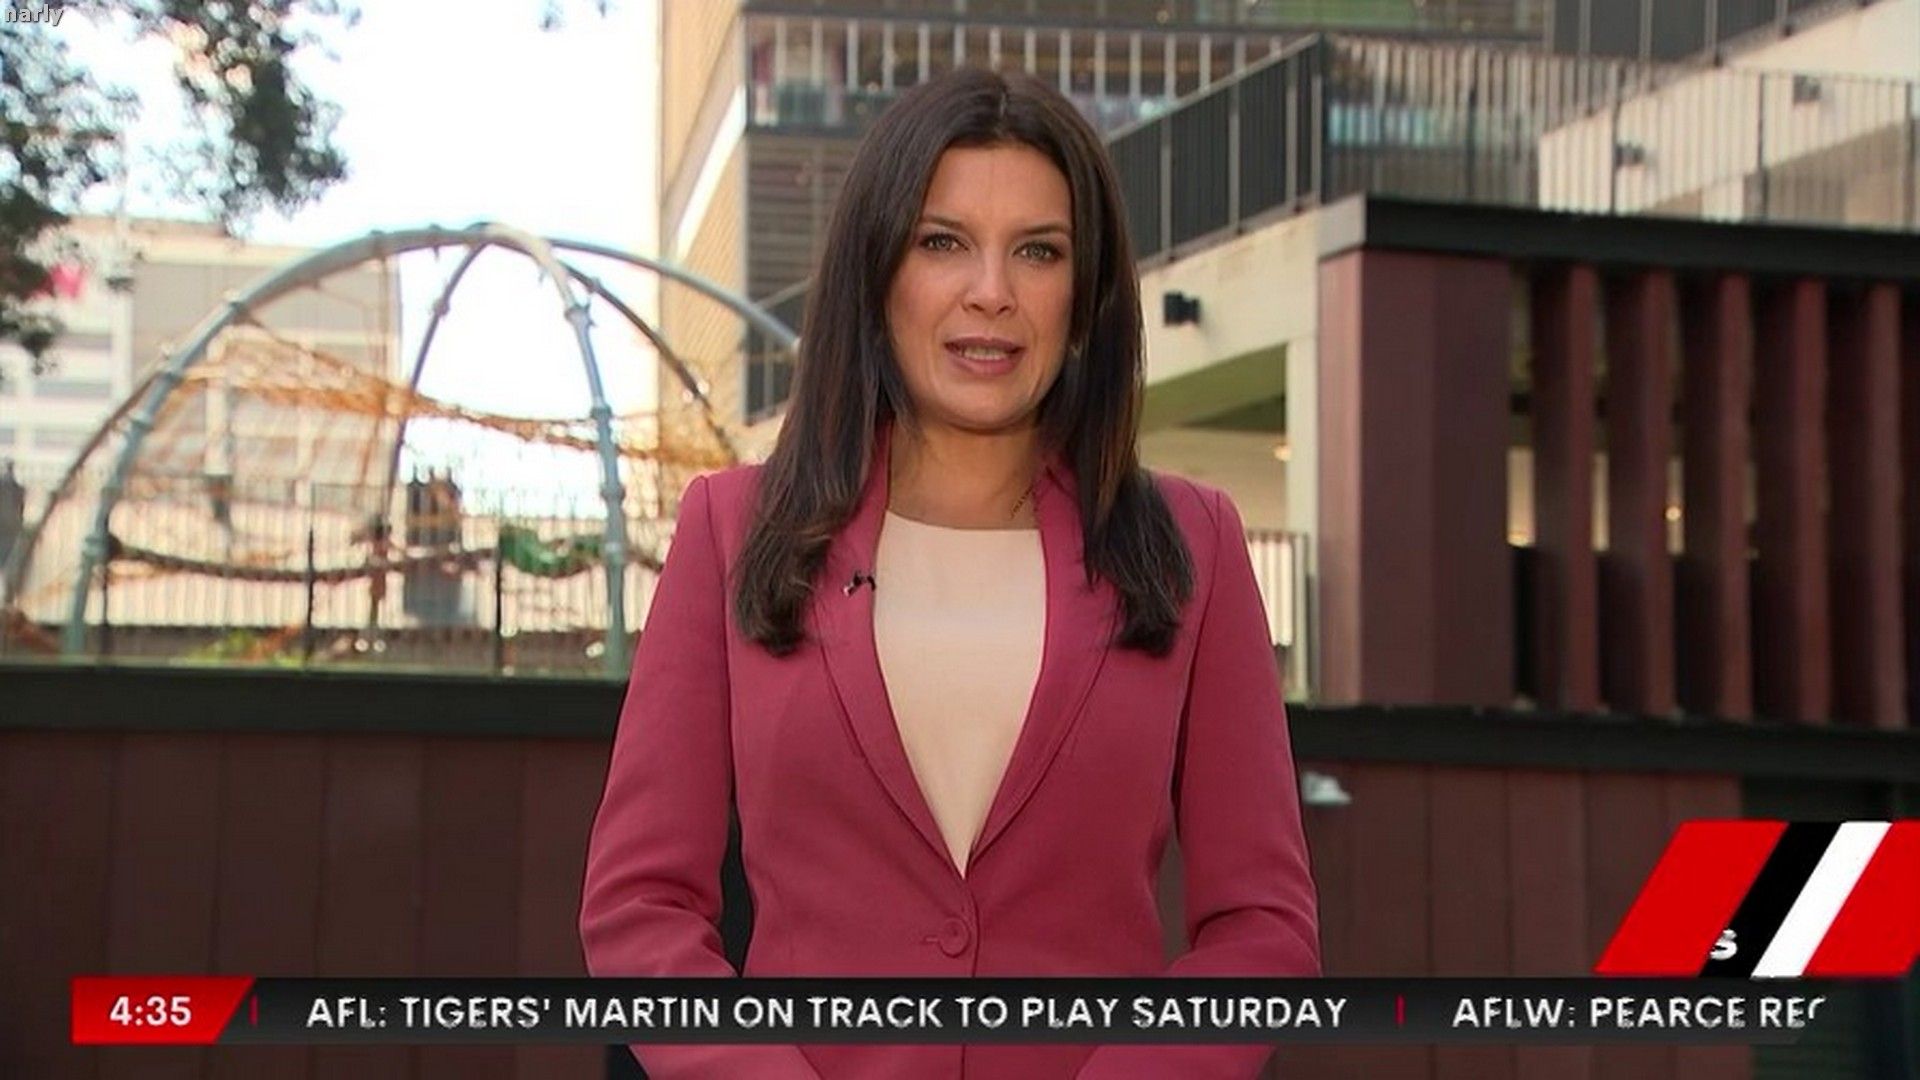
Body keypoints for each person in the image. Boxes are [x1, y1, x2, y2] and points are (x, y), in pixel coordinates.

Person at [579, 66, 1320, 1079]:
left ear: (1086, 295)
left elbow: (1264, 929)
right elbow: (640, 908)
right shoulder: (732, 530)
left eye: (1038, 251)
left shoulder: (1196, 545)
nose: (992, 292)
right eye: (942, 243)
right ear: (878, 272)